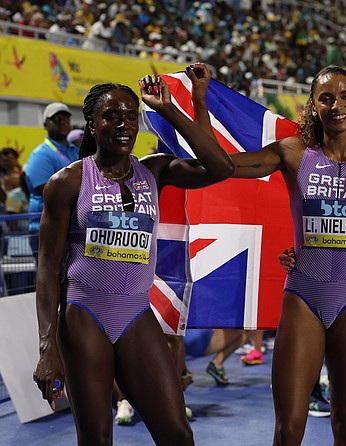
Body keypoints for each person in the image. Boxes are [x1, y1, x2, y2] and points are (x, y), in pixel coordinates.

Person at [32, 63, 235, 445]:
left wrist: (170, 109)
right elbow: (46, 267)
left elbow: (220, 167)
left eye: (131, 116)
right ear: (93, 124)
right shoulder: (68, 182)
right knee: (96, 437)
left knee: (177, 433)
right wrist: (47, 347)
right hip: (83, 315)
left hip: (136, 314)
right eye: (111, 116)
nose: (124, 124)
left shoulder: (154, 171)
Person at [218, 65, 346, 445]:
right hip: (304, 297)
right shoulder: (293, 153)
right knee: (289, 427)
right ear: (313, 106)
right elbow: (224, 166)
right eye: (326, 97)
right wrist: (193, 106)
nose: (337, 104)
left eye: (345, 95)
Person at [23, 102, 79, 257]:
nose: (62, 121)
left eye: (65, 118)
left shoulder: (75, 151)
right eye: (56, 118)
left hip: (70, 228)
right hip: (47, 229)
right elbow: (48, 193)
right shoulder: (41, 155)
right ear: (45, 124)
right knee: (49, 276)